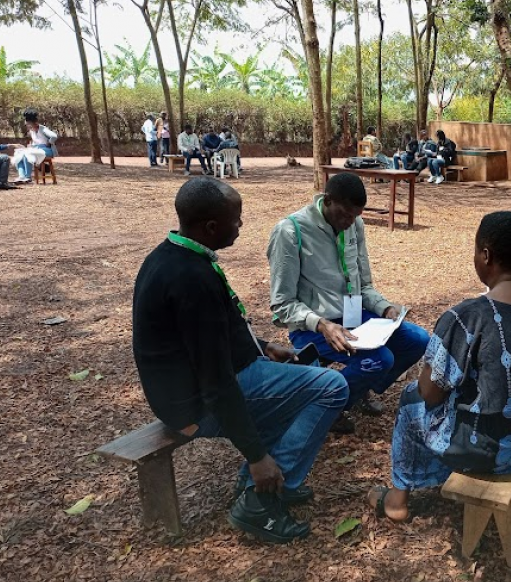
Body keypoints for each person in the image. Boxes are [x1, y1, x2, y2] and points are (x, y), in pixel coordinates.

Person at [132, 177, 349, 543]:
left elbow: (210, 334)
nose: (241, 225)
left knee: (304, 374)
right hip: (194, 404)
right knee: (331, 387)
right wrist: (256, 457)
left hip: (195, 386)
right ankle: (257, 495)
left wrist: (261, 346)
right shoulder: (191, 279)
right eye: (236, 219)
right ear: (211, 226)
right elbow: (216, 379)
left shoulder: (172, 256)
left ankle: (274, 476)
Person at [367, 211, 511, 522]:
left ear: (486, 255)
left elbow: (430, 394)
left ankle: (396, 501)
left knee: (411, 399)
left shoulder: (466, 317)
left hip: (491, 450)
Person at [267, 172, 429, 434]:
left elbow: (363, 285)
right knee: (380, 360)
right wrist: (322, 325)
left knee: (418, 340)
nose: (349, 222)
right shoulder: (290, 231)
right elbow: (282, 304)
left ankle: (358, 389)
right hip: (314, 327)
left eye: (355, 216)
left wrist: (385, 308)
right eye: (344, 215)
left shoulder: (354, 224)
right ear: (327, 200)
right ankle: (325, 407)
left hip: (355, 318)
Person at [21, 109, 58, 183]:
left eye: (29, 124)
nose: (28, 126)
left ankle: (27, 177)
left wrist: (49, 143)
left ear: (33, 123)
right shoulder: (32, 131)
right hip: (37, 149)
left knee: (27, 154)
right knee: (20, 155)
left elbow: (54, 136)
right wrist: (31, 146)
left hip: (47, 150)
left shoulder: (43, 129)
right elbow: (36, 142)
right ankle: (22, 176)